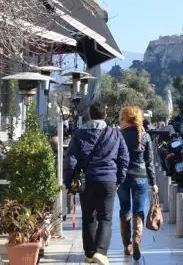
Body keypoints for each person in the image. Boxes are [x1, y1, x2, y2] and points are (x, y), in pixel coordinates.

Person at [64, 103, 129, 265]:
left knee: (88, 218)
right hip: (108, 181)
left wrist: (69, 182)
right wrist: (118, 180)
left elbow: (70, 159)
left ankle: (90, 254)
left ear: (90, 115)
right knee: (105, 219)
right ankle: (101, 252)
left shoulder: (79, 134)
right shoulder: (115, 134)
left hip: (87, 181)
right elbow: (124, 158)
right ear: (105, 115)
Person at [117, 106, 158, 259]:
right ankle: (137, 240)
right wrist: (153, 183)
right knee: (138, 211)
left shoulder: (119, 135)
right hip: (140, 177)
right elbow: (150, 162)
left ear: (125, 117)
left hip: (122, 178)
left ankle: (127, 246)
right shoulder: (145, 135)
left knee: (124, 210)